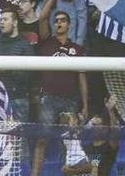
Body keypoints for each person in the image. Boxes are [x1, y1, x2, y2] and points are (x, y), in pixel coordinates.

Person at [33, 11, 89, 176]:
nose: (59, 23)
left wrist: (85, 106)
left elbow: (82, 78)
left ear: (69, 24)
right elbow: (42, 18)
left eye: (63, 20)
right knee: (42, 139)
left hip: (69, 99)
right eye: (56, 21)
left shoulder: (77, 49)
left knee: (71, 138)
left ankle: (70, 172)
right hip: (48, 98)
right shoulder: (46, 43)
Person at [0, 9, 35, 121]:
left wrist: (4, 69)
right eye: (1, 20)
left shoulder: (25, 46)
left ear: (15, 22)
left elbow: (28, 76)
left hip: (17, 99)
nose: (1, 22)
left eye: (5, 19)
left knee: (19, 137)